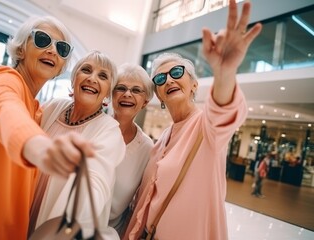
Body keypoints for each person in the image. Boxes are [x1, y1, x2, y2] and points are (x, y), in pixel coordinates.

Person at [123, 0, 262, 239]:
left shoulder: (206, 127)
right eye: (160, 79)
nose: (169, 80)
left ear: (194, 85)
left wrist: (225, 73)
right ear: (158, 94)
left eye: (177, 73)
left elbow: (223, 111)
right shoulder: (162, 140)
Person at [0, 16, 95, 240]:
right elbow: (6, 108)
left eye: (61, 48)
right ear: (21, 49)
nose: (52, 51)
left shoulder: (38, 111)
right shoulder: (3, 78)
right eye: (42, 40)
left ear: (61, 67)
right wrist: (40, 147)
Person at [30, 50, 126, 239]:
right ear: (74, 79)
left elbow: (95, 185)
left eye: (103, 76)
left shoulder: (109, 130)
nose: (92, 78)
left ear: (108, 92)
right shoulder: (52, 107)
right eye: (86, 70)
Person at [108, 63, 154, 237]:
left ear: (145, 102)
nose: (127, 94)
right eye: (121, 88)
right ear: (111, 94)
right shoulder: (94, 128)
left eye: (136, 90)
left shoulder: (148, 149)